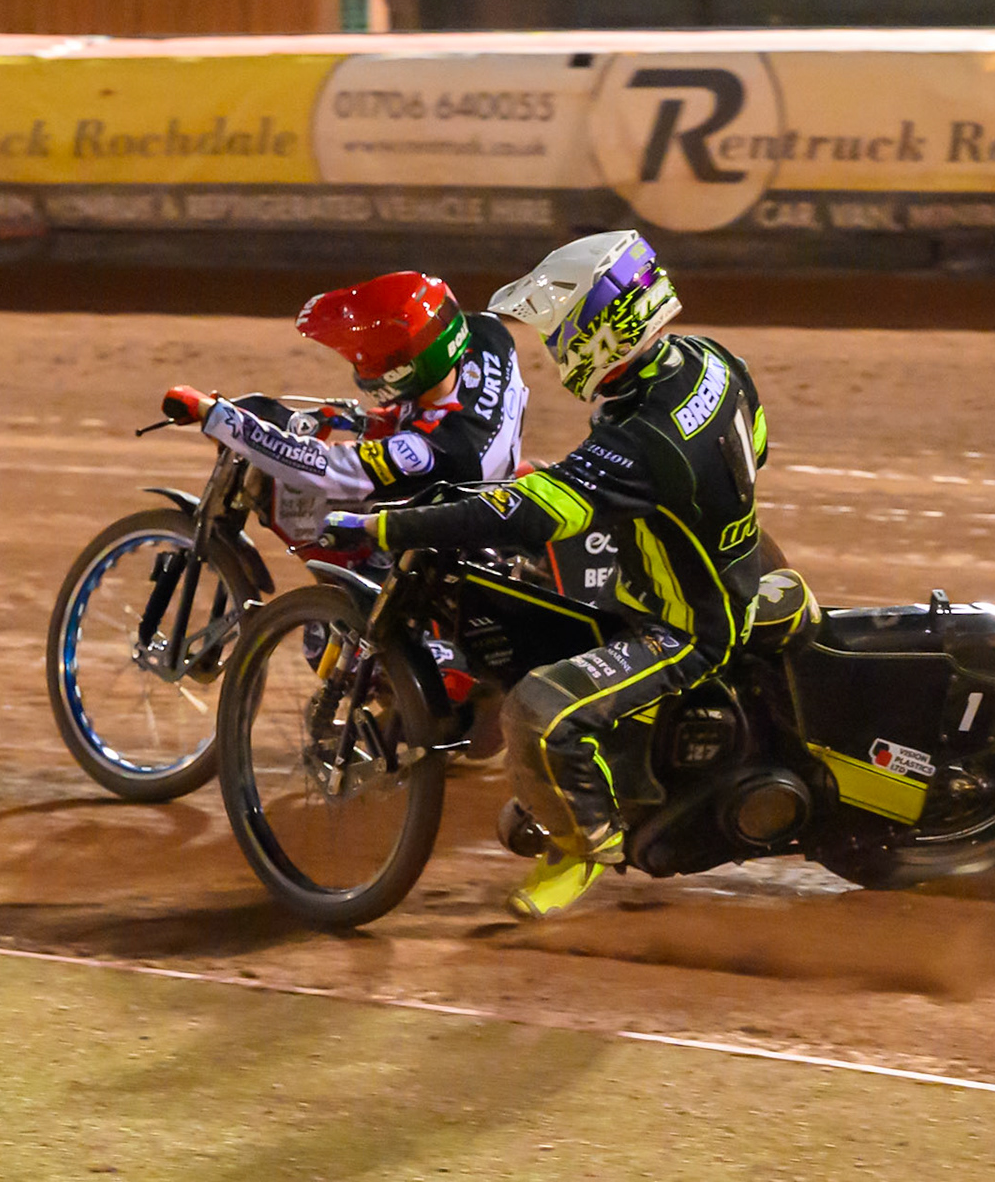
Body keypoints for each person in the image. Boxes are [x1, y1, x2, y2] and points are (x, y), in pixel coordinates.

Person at [320, 231, 769, 919]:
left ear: (601, 331)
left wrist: (389, 526)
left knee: (534, 709)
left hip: (681, 625)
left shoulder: (638, 441)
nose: (556, 347)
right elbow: (757, 441)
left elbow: (527, 515)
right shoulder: (710, 361)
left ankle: (585, 845)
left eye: (562, 331)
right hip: (732, 566)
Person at [161, 270, 527, 547]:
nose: (364, 368)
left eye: (372, 361)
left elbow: (323, 468)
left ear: (406, 370)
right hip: (489, 488)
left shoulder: (430, 449)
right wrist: (358, 421)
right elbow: (440, 411)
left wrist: (221, 419)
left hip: (447, 536)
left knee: (335, 528)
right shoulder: (488, 336)